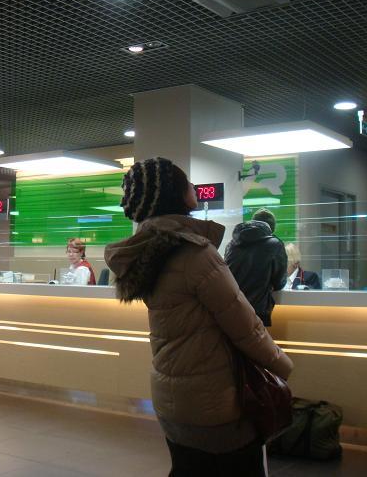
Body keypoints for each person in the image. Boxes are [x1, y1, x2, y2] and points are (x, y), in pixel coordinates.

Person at [104, 158, 293, 477]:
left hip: (170, 396)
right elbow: (245, 327)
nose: (193, 187)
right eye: (187, 182)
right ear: (175, 194)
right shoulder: (196, 254)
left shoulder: (147, 254)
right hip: (214, 400)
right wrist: (282, 365)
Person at [224, 208, 287, 327]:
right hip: (257, 311)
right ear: (271, 228)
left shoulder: (232, 244)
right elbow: (279, 283)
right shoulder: (275, 245)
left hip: (231, 308)